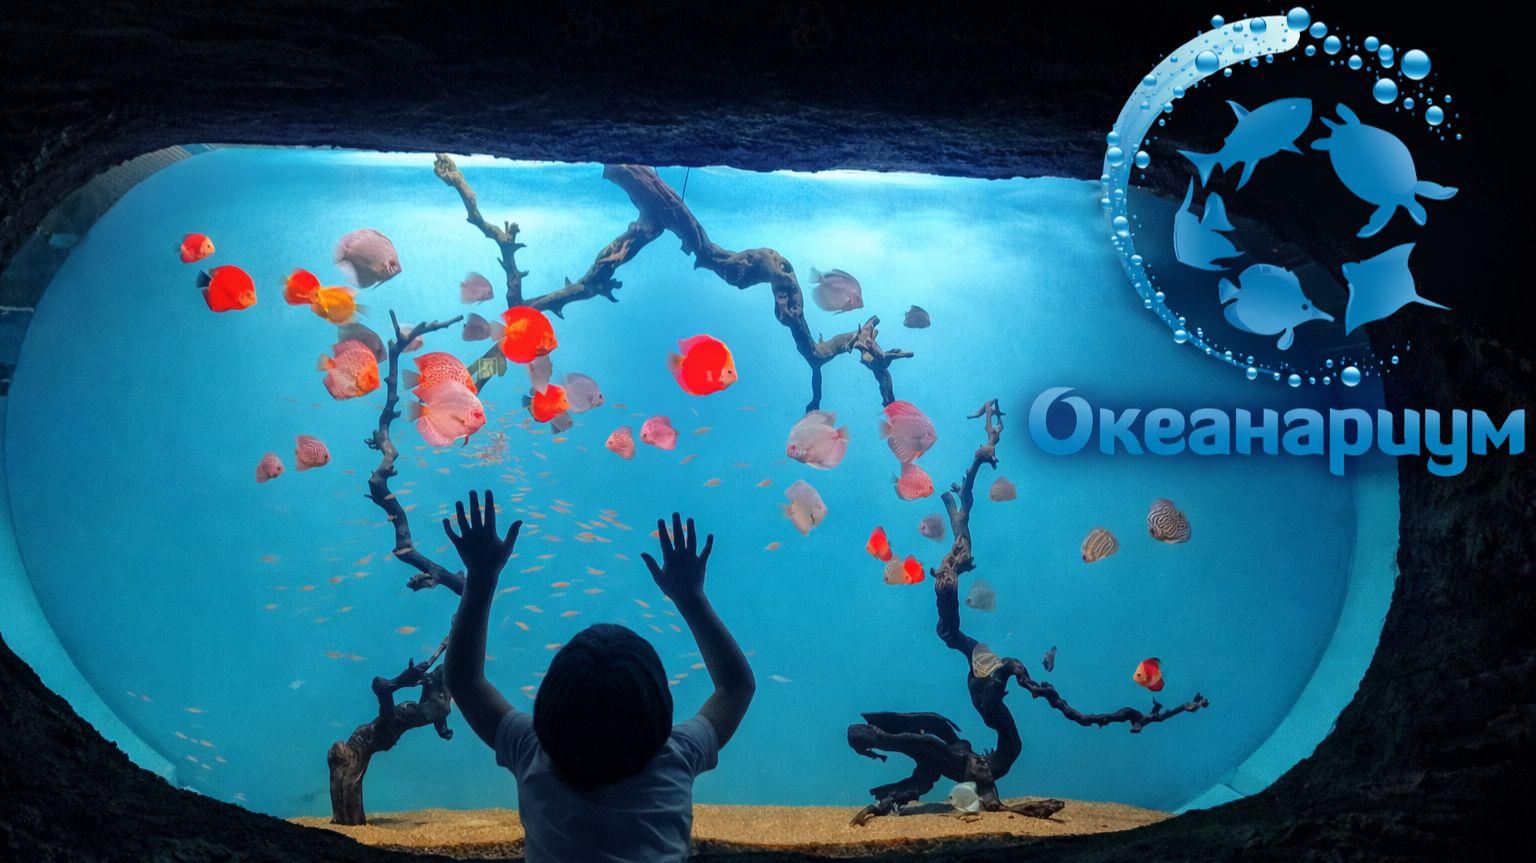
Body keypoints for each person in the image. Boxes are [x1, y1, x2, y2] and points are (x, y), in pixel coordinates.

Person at [443, 490, 755, 862]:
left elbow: (464, 681)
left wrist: (481, 576)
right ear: (660, 714)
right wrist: (691, 597)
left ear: (547, 712)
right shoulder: (677, 757)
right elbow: (736, 686)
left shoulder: (531, 752)